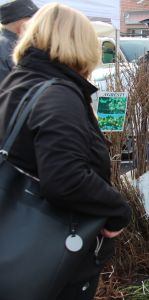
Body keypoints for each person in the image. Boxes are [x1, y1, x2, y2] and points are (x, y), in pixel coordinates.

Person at [0, 3, 131, 300]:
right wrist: (118, 211)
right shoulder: (58, 95)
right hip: (52, 250)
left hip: (19, 240)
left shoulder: (19, 83)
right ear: (80, 44)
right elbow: (66, 178)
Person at [0, 0, 38, 83]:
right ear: (21, 22)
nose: (37, 23)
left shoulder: (10, 43)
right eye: (34, 19)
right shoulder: (11, 46)